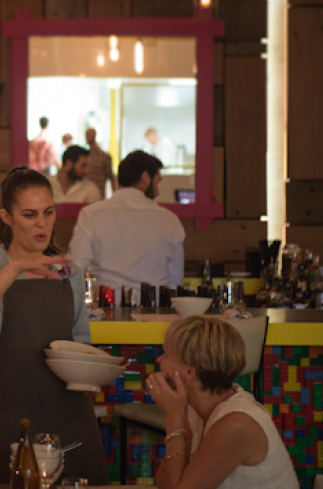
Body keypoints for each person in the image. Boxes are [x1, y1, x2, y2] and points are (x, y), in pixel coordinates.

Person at [0, 167, 107, 484]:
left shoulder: (68, 273)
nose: (42, 223)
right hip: (11, 415)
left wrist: (92, 372)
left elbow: (80, 342)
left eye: (48, 212)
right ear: (6, 217)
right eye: (29, 214)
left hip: (69, 414)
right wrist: (16, 266)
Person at [146, 316, 298, 489]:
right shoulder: (195, 409)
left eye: (166, 354)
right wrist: (177, 414)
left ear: (189, 372)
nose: (159, 360)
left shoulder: (236, 424)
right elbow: (166, 482)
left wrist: (173, 415)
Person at [69, 150, 185, 298]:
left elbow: (75, 269)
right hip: (155, 308)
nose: (157, 191)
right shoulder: (170, 220)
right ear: (145, 178)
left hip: (107, 306)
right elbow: (175, 280)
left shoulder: (91, 214)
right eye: (157, 182)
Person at [84, 128, 116, 197]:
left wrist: (115, 196)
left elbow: (111, 177)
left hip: (99, 195)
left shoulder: (104, 157)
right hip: (85, 196)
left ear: (95, 135)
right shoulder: (84, 156)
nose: (87, 137)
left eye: (89, 134)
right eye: (87, 134)